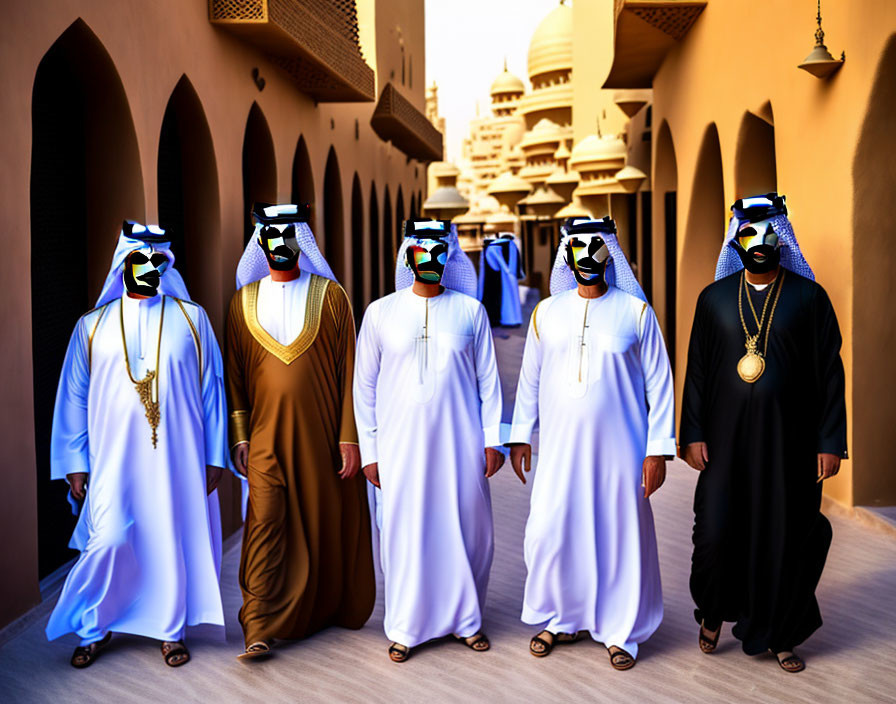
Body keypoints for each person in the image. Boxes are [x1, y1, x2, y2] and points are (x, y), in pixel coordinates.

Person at [46, 221, 227, 668]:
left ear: (165, 266)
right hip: (112, 462)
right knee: (106, 540)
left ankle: (169, 630)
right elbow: (72, 397)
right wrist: (74, 461)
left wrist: (215, 455)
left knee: (168, 539)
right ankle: (94, 626)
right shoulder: (92, 326)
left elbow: (212, 390)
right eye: (137, 260)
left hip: (177, 460)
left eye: (156, 261)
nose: (147, 268)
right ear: (122, 266)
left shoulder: (192, 318)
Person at [681, 193, 847, 673]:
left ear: (781, 237)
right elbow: (697, 373)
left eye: (767, 232)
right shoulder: (713, 299)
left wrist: (829, 441)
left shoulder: (808, 298)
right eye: (748, 233)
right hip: (724, 445)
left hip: (788, 448)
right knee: (714, 534)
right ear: (736, 240)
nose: (758, 242)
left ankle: (780, 633)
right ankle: (713, 612)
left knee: (784, 537)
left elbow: (829, 373)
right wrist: (692, 433)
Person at [508, 216, 675, 670]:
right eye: (578, 249)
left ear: (609, 254)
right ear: (568, 255)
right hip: (559, 449)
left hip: (621, 451)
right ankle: (561, 617)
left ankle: (621, 631)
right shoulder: (547, 313)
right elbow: (529, 379)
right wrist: (519, 435)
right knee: (552, 530)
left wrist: (657, 449)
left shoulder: (636, 313)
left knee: (618, 533)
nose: (587, 258)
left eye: (596, 248)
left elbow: (660, 384)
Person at [226, 203, 375, 660]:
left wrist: (350, 437)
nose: (278, 247)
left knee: (319, 522)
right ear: (261, 245)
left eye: (287, 237)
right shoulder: (241, 302)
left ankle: (315, 611)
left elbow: (351, 371)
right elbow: (234, 376)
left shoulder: (331, 297)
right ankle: (258, 622)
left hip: (322, 438)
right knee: (265, 521)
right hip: (267, 440)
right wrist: (241, 435)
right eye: (269, 239)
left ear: (299, 242)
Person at [354, 219, 504, 662]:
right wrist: (371, 451)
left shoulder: (470, 311)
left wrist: (493, 440)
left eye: (440, 252)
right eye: (422, 252)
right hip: (400, 447)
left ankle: (467, 620)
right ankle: (406, 626)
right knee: (406, 532)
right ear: (408, 257)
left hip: (461, 444)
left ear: (450, 257)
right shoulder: (380, 313)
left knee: (466, 530)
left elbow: (489, 382)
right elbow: (363, 389)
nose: (431, 260)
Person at [478, 232, 524, 326]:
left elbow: (497, 263)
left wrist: (506, 271)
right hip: (507, 276)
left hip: (502, 276)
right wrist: (509, 272)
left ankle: (509, 320)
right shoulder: (508, 245)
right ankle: (512, 320)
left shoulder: (494, 247)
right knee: (510, 298)